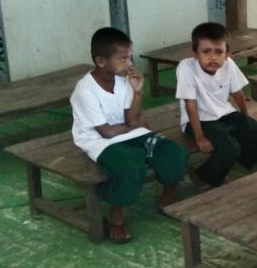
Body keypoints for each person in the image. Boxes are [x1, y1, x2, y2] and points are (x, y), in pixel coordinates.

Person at [70, 28, 188, 243]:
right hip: (100, 141)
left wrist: (138, 91)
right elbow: (106, 131)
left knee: (173, 152)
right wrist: (135, 126)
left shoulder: (124, 80)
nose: (130, 63)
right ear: (101, 61)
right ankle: (115, 216)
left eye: (130, 57)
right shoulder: (85, 90)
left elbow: (132, 120)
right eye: (123, 58)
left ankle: (168, 195)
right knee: (130, 166)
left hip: (127, 131)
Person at [176, 22, 257, 188]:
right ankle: (202, 177)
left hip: (225, 113)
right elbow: (190, 103)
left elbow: (237, 93)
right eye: (206, 51)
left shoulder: (229, 64)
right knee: (230, 148)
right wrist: (199, 137)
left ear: (226, 54)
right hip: (198, 120)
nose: (213, 57)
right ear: (195, 53)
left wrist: (245, 118)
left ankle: (233, 162)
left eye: (219, 52)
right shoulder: (186, 67)